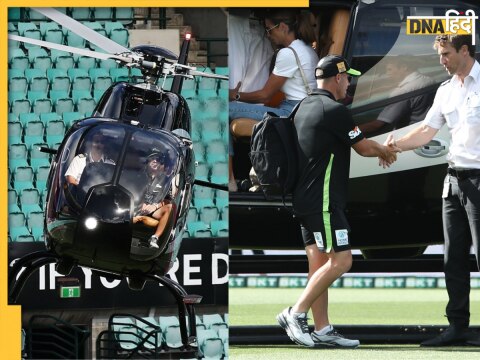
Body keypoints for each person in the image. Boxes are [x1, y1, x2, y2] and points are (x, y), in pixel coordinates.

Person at [277, 55, 399, 348]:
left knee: (319, 264)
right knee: (343, 259)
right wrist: (386, 150)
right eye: (347, 78)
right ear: (337, 78)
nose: (349, 83)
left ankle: (323, 329)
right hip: (325, 201)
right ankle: (295, 313)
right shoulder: (335, 110)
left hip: (304, 200)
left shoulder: (302, 105)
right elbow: (364, 148)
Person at [383, 34, 480, 347]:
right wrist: (393, 145)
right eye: (440, 55)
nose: (442, 61)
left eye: (447, 54)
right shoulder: (446, 90)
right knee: (453, 259)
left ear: (465, 50)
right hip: (453, 183)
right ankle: (457, 326)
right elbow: (426, 131)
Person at [228, 9, 319, 191]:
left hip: (290, 112)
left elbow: (265, 95)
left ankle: (229, 180)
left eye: (270, 30)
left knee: (224, 110)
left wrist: (235, 96)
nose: (268, 35)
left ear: (283, 27)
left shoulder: (288, 53)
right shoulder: (307, 49)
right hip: (300, 109)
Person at [359, 55, 435, 134]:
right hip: (426, 131)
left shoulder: (402, 91)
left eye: (390, 69)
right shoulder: (429, 80)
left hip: (407, 136)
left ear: (404, 67)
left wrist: (350, 132)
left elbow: (377, 125)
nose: (387, 73)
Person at [133, 150, 174, 250]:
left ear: (161, 163)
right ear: (147, 161)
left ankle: (154, 238)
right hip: (135, 207)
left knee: (169, 207)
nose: (155, 161)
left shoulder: (165, 180)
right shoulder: (138, 175)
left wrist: (154, 206)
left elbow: (168, 200)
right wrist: (140, 203)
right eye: (152, 158)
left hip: (153, 210)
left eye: (158, 159)